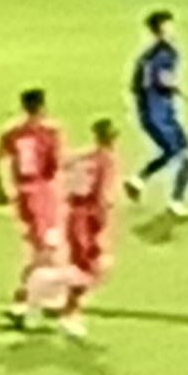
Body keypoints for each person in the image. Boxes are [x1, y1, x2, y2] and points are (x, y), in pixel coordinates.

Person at [0, 86, 67, 326]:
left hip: (22, 194)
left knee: (46, 248)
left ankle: (49, 298)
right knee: (45, 249)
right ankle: (23, 299)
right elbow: (54, 166)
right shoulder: (50, 133)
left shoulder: (12, 134)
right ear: (42, 106)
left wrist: (0, 193)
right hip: (42, 194)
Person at [57, 117, 124, 337]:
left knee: (88, 265)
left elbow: (64, 171)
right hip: (88, 216)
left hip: (76, 213)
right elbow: (102, 195)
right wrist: (102, 219)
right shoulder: (106, 160)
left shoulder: (84, 156)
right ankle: (69, 312)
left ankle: (67, 303)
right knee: (89, 267)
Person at [127, 8, 188, 213]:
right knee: (186, 156)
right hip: (161, 116)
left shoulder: (146, 56)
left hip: (149, 114)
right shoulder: (167, 53)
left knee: (171, 152)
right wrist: (178, 90)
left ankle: (138, 180)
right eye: (169, 25)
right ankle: (176, 202)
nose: (173, 29)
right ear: (160, 29)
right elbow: (162, 79)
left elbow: (135, 85)